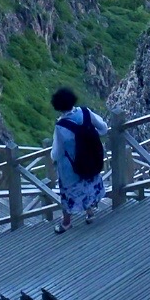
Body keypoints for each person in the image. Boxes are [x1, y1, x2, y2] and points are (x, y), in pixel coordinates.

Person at [50, 87, 109, 234]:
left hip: (72, 168)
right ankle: (90, 213)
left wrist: (53, 157)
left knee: (68, 194)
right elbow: (103, 128)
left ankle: (66, 222)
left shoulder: (61, 126)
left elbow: (57, 153)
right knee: (88, 186)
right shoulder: (85, 112)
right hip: (91, 161)